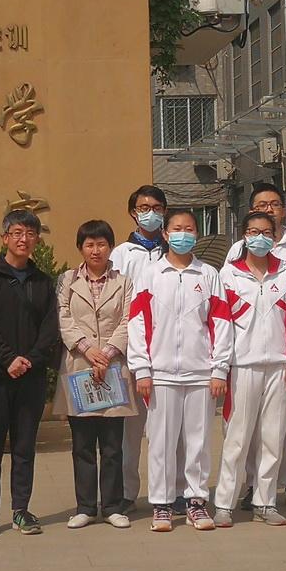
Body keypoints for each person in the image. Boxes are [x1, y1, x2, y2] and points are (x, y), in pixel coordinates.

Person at [128, 209, 233, 532]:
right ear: (165, 233)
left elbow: (221, 323)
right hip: (160, 374)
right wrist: (141, 368)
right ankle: (161, 504)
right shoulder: (150, 274)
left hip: (200, 373)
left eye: (189, 229)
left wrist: (219, 369)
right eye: (177, 228)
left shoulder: (208, 274)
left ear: (196, 234)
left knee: (198, 442)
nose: (183, 234)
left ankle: (196, 502)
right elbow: (137, 322)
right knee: (160, 441)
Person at [0, 210, 60, 538]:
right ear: (5, 237)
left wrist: (30, 360)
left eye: (30, 234)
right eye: (18, 233)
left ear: (37, 239)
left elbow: (50, 328)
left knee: (24, 448)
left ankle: (21, 509)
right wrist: (8, 359)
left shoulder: (43, 282)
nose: (24, 239)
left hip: (31, 378)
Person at [224, 182, 286, 511]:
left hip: (282, 358)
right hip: (245, 359)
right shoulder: (236, 256)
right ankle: (246, 488)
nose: (268, 210)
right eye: (261, 205)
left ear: (283, 211)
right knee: (243, 430)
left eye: (274, 204)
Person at [54, 220, 136, 529]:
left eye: (101, 244)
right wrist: (88, 350)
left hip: (112, 368)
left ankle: (113, 506)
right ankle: (86, 507)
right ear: (80, 248)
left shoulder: (124, 282)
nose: (96, 250)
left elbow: (129, 319)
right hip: (80, 366)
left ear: (110, 247)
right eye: (89, 244)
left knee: (113, 445)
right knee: (83, 444)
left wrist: (109, 352)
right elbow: (62, 317)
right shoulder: (66, 280)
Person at [110, 185, 184, 515]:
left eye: (156, 207)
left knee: (173, 431)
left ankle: (176, 490)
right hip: (131, 353)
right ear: (133, 212)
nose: (150, 213)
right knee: (131, 430)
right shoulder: (122, 254)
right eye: (143, 208)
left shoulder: (176, 251)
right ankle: (127, 492)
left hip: (171, 354)